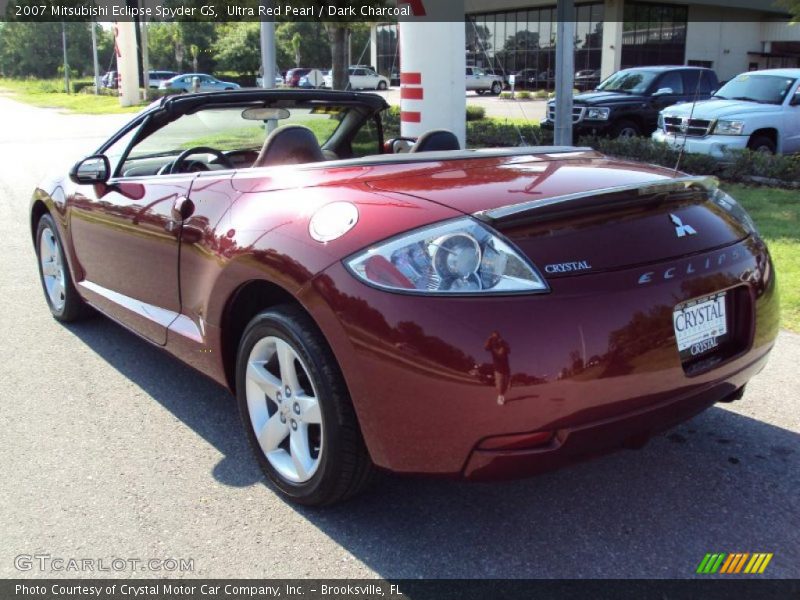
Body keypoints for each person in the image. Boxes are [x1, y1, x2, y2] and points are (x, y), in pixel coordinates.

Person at [485, 331, 511, 405]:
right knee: (499, 383)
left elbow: (509, 350)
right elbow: (486, 347)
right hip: (497, 367)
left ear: (499, 337)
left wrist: (503, 343)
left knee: (505, 385)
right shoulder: (491, 345)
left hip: (506, 367)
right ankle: (500, 396)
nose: (495, 339)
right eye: (494, 337)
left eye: (496, 337)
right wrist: (489, 339)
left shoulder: (504, 343)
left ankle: (502, 394)